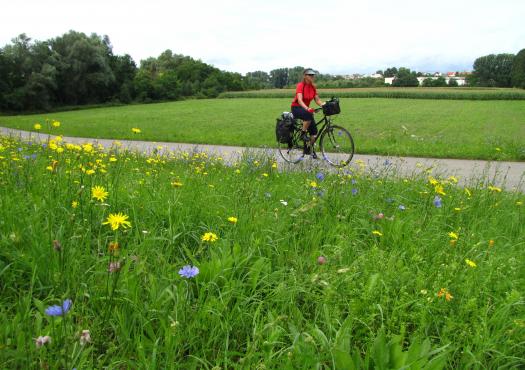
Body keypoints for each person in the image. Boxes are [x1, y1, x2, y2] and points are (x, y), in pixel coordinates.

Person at [291, 68, 325, 157]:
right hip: (296, 107)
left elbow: (317, 100)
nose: (312, 77)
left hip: (306, 110)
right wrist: (307, 108)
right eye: (310, 75)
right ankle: (302, 134)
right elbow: (299, 100)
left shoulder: (313, 87)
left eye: (313, 75)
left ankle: (309, 149)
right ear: (305, 76)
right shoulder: (300, 85)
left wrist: (324, 104)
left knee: (314, 133)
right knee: (308, 115)